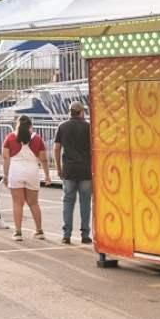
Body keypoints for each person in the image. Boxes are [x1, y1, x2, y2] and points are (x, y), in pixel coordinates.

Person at [3, 114, 50, 240]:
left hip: (15, 171)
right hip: (32, 171)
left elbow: (6, 158)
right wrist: (47, 175)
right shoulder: (37, 139)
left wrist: (5, 175)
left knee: (17, 203)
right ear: (31, 126)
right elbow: (44, 159)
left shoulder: (10, 137)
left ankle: (18, 232)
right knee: (33, 203)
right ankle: (39, 230)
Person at [55, 103, 93, 245]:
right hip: (85, 170)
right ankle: (85, 234)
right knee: (85, 203)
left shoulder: (62, 126)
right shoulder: (89, 127)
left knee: (68, 202)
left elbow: (57, 148)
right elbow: (93, 150)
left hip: (69, 170)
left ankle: (66, 234)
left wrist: (59, 168)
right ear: (81, 112)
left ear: (70, 112)